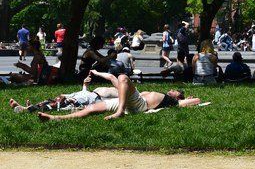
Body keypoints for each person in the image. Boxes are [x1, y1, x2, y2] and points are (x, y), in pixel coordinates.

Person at [38, 70, 200, 121]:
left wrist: (187, 100)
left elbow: (198, 100)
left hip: (138, 105)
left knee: (123, 77)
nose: (172, 91)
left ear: (178, 97)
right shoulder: (128, 90)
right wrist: (96, 73)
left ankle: (120, 112)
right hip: (127, 102)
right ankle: (55, 118)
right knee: (90, 109)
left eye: (175, 92)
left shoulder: (171, 102)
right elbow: (111, 77)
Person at [9, 73, 118, 114]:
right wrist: (85, 83)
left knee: (55, 104)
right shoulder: (89, 92)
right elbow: (84, 91)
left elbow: (104, 104)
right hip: (72, 97)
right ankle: (29, 108)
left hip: (76, 101)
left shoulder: (101, 96)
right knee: (52, 101)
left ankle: (27, 110)